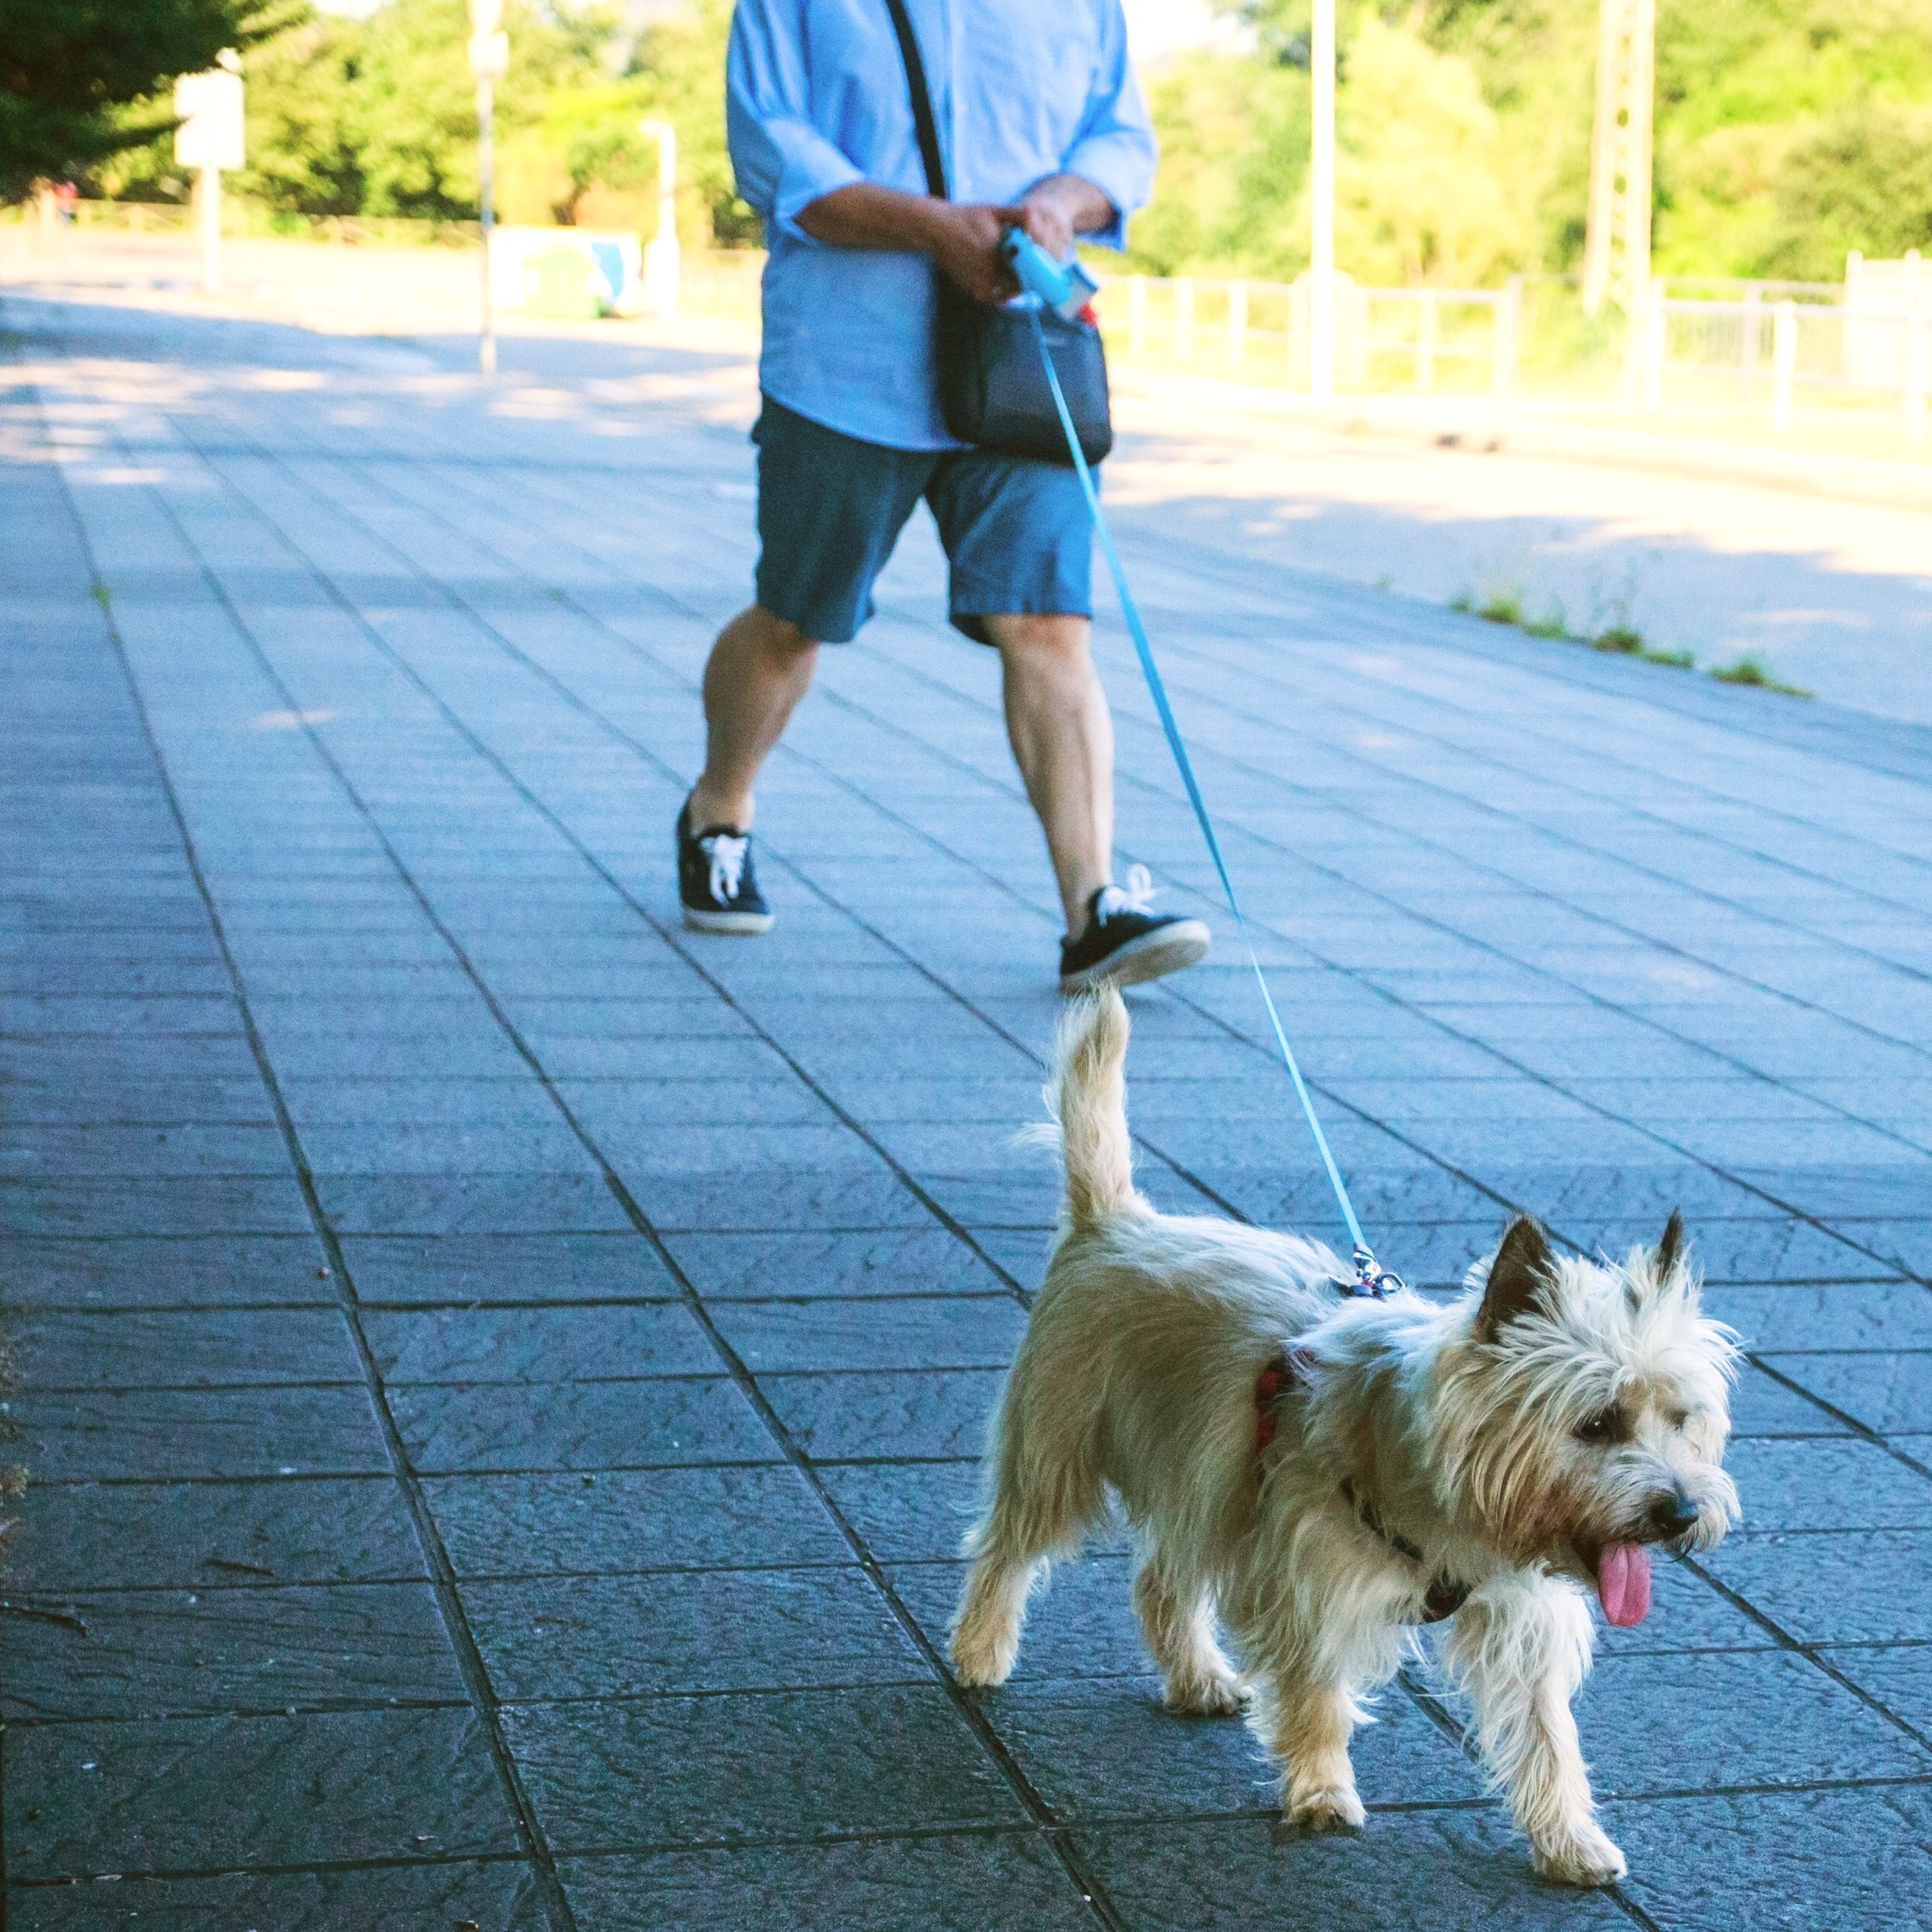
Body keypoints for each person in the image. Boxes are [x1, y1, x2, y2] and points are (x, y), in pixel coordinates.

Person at [678, 0, 1211, 995]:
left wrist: (1059, 203)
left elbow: (1119, 136)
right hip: (843, 366)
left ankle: (1094, 908)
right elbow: (772, 146)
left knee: (1049, 625)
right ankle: (721, 807)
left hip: (1019, 361)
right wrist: (931, 229)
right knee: (796, 622)